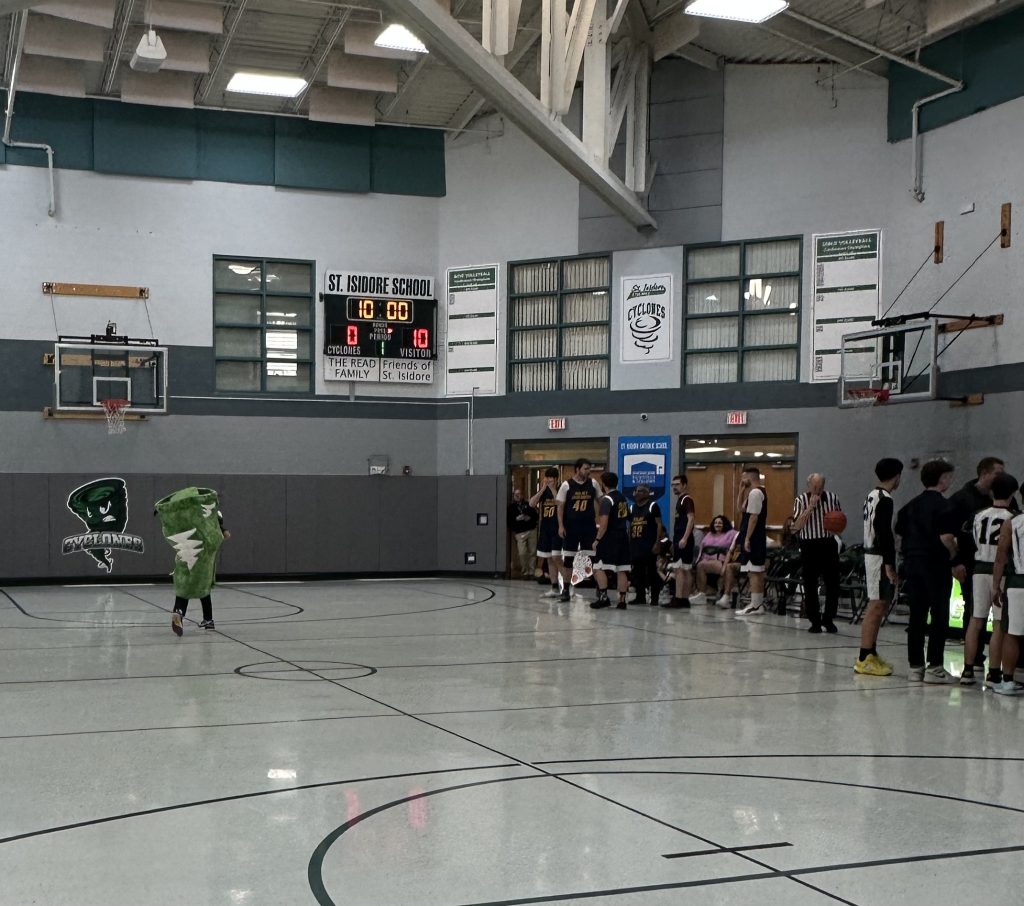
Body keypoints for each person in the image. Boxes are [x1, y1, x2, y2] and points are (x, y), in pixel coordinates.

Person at [894, 460, 959, 683]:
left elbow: (899, 536)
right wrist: (954, 555)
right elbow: (946, 538)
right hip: (936, 564)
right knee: (939, 614)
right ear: (943, 479)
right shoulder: (945, 506)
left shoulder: (908, 507)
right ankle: (935, 666)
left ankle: (915, 667)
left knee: (917, 615)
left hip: (913, 563)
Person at [948, 457, 1007, 669]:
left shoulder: (1004, 501)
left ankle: (984, 664)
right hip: (973, 564)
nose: (1001, 477)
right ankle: (975, 662)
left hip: (996, 565)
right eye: (998, 473)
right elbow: (949, 533)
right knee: (976, 613)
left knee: (990, 616)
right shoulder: (961, 499)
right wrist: (955, 562)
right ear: (984, 473)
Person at [961, 473, 1018, 686]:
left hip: (979, 568)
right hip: (1001, 571)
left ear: (991, 492)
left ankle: (967, 670)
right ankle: (993, 672)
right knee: (998, 624)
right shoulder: (1013, 518)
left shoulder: (978, 515)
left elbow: (966, 539)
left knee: (976, 620)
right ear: (1013, 494)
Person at [154, 486, 229, 635]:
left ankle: (179, 612)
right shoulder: (209, 528)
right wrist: (222, 531)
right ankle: (208, 620)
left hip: (189, 555)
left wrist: (164, 512)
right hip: (204, 560)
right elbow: (224, 534)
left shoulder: (192, 524)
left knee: (184, 587)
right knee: (204, 588)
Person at [855, 458, 903, 676]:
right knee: (875, 605)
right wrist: (889, 564)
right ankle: (864, 656)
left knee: (879, 603)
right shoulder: (885, 499)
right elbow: (883, 532)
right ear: (897, 476)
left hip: (873, 554)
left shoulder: (872, 495)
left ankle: (871, 652)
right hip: (877, 556)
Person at [790, 473, 844, 633]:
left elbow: (839, 519)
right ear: (808, 485)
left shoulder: (833, 498)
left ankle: (829, 619)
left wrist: (837, 527)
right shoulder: (801, 500)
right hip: (809, 545)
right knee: (810, 584)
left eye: (820, 486)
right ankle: (814, 621)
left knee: (833, 583)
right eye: (815, 486)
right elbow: (795, 527)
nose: (817, 490)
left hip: (828, 543)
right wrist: (810, 508)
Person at [989, 501, 1024, 695]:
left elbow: (1001, 556)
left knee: (1012, 633)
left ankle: (1008, 681)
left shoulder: (1012, 522)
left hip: (1018, 582)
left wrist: (996, 586)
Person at [556, 458, 601, 603]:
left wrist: (601, 521)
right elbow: (560, 507)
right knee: (568, 560)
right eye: (586, 468)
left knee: (594, 559)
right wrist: (561, 525)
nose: (588, 471)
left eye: (589, 469)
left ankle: (600, 588)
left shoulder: (593, 483)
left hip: (589, 526)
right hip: (571, 527)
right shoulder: (566, 485)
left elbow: (601, 501)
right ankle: (566, 589)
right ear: (577, 469)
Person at [591, 472, 632, 609]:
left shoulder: (606, 500)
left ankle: (603, 598)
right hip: (623, 537)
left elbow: (604, 523)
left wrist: (597, 540)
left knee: (598, 567)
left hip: (610, 537)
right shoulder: (622, 498)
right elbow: (629, 517)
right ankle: (622, 601)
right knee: (622, 569)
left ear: (603, 484)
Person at [736, 465, 769, 616]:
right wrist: (741, 490)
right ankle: (756, 603)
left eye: (743, 477)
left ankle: (756, 605)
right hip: (753, 536)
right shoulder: (753, 492)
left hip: (754, 537)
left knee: (754, 570)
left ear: (750, 477)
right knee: (753, 570)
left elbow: (753, 518)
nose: (742, 480)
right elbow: (741, 509)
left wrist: (747, 538)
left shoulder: (756, 492)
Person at [627, 484, 666, 606]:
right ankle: (640, 597)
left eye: (639, 491)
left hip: (649, 544)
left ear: (646, 493)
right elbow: (630, 525)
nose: (636, 493)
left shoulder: (652, 506)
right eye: (636, 491)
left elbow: (659, 524)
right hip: (636, 545)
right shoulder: (632, 507)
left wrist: (657, 542)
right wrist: (629, 542)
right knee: (637, 572)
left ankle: (654, 598)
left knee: (652, 572)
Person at [689, 515, 739, 607]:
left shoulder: (731, 533)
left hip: (722, 561)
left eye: (720, 523)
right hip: (706, 560)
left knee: (701, 566)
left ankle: (703, 594)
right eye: (715, 523)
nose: (717, 524)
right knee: (699, 565)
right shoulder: (709, 534)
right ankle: (701, 593)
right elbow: (702, 548)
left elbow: (735, 544)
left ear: (725, 524)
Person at [665, 473, 696, 609]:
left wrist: (684, 538)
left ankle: (678, 598)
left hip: (683, 538)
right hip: (681, 538)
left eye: (677, 484)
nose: (674, 487)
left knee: (679, 569)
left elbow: (691, 518)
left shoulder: (686, 500)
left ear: (684, 485)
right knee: (685, 568)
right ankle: (684, 599)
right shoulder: (680, 500)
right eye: (673, 485)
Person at [531, 468, 563, 598]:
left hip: (557, 529)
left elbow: (560, 503)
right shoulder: (544, 492)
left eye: (551, 478)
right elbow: (532, 503)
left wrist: (553, 489)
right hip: (546, 529)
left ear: (556, 479)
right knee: (549, 558)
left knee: (557, 558)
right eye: (547, 478)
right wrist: (543, 489)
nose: (549, 480)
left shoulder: (561, 489)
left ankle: (567, 585)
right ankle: (554, 587)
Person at [506, 488, 538, 579]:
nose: (517, 496)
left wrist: (529, 518)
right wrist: (516, 519)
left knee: (532, 552)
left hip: (531, 530)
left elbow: (536, 516)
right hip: (519, 532)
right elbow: (509, 521)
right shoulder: (511, 507)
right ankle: (525, 571)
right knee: (522, 553)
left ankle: (531, 572)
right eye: (515, 494)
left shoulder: (529, 504)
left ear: (522, 495)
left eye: (519, 494)